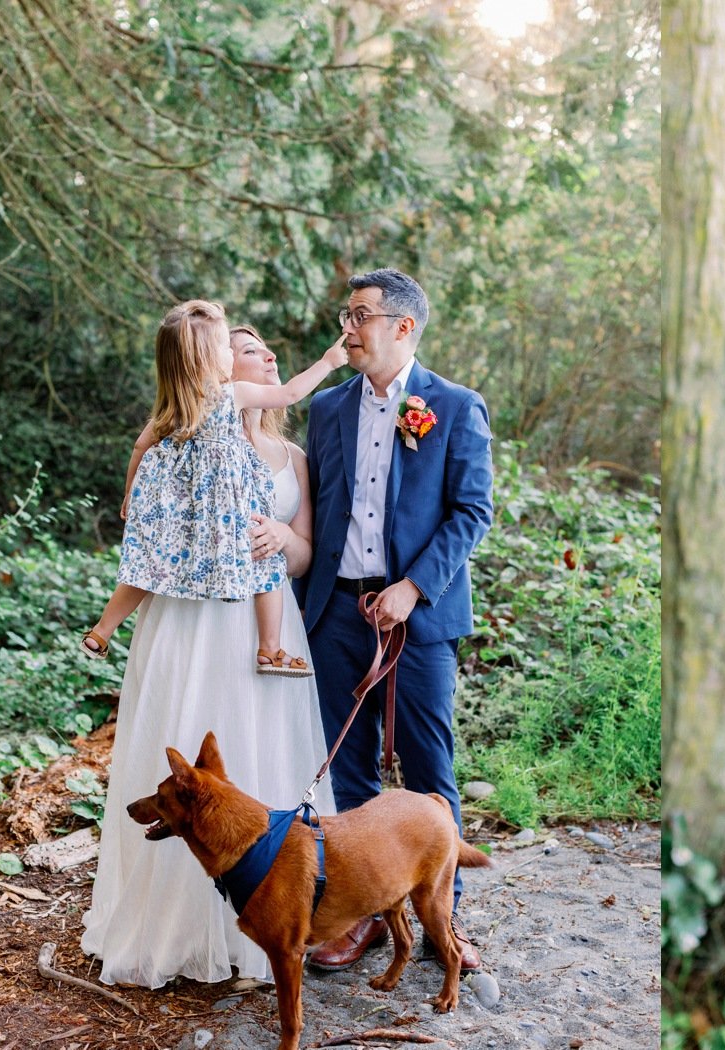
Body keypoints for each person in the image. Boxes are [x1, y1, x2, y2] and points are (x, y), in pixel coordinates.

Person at [83, 321, 339, 987]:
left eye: (266, 349)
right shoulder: (179, 438)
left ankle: (267, 927)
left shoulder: (295, 460)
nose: (265, 354)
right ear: (216, 366)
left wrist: (283, 533)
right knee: (181, 761)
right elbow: (144, 532)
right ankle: (165, 927)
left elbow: (307, 557)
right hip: (188, 624)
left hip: (265, 622)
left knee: (263, 760)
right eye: (247, 346)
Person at [296, 268, 494, 973]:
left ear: (403, 327)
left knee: (431, 774)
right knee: (349, 783)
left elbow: (474, 513)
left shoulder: (456, 406)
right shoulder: (326, 411)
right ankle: (362, 917)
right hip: (337, 615)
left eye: (360, 316)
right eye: (347, 315)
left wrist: (413, 586)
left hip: (419, 620)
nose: (347, 329)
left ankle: (445, 919)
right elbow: (313, 514)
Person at [79, 301, 347, 677]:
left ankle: (102, 630)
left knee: (147, 566)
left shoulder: (175, 408)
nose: (228, 354)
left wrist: (130, 495)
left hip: (181, 518)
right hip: (226, 511)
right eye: (226, 348)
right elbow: (288, 394)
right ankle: (269, 649)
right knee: (266, 564)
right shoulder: (231, 395)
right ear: (207, 359)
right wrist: (328, 362)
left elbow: (140, 448)